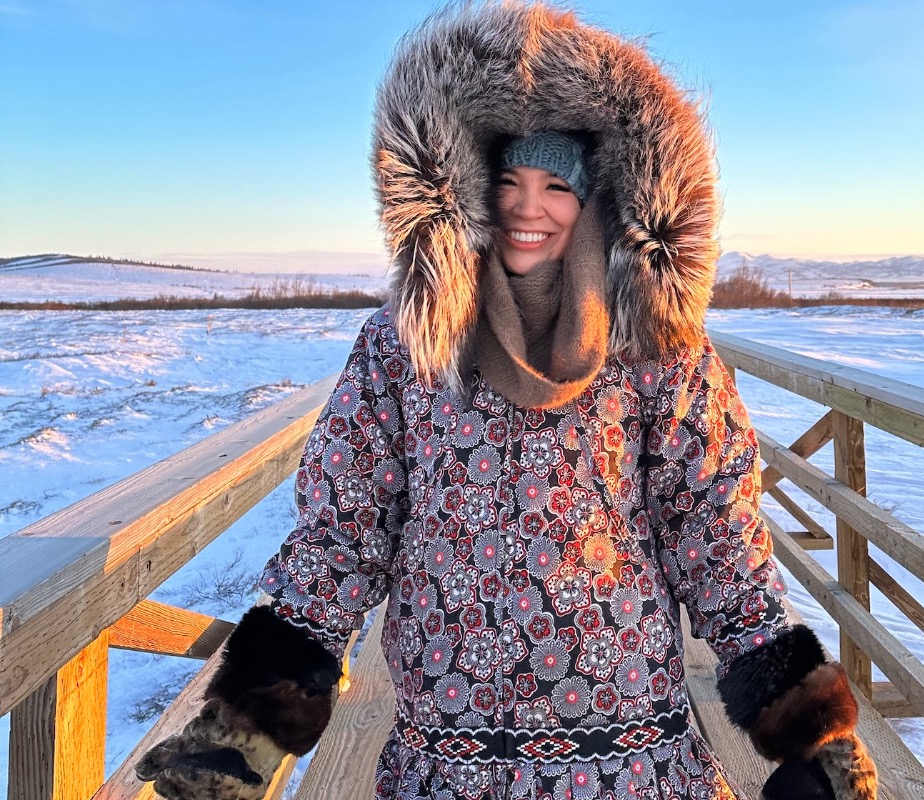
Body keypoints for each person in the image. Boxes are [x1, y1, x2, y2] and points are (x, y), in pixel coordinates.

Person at [136, 4, 877, 800]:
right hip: (447, 762)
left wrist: (810, 732)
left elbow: (715, 533)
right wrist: (246, 726)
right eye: (510, 182)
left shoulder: (659, 347)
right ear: (467, 191)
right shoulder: (406, 344)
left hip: (630, 756)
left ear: (592, 202)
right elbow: (345, 533)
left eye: (557, 185)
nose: (530, 209)